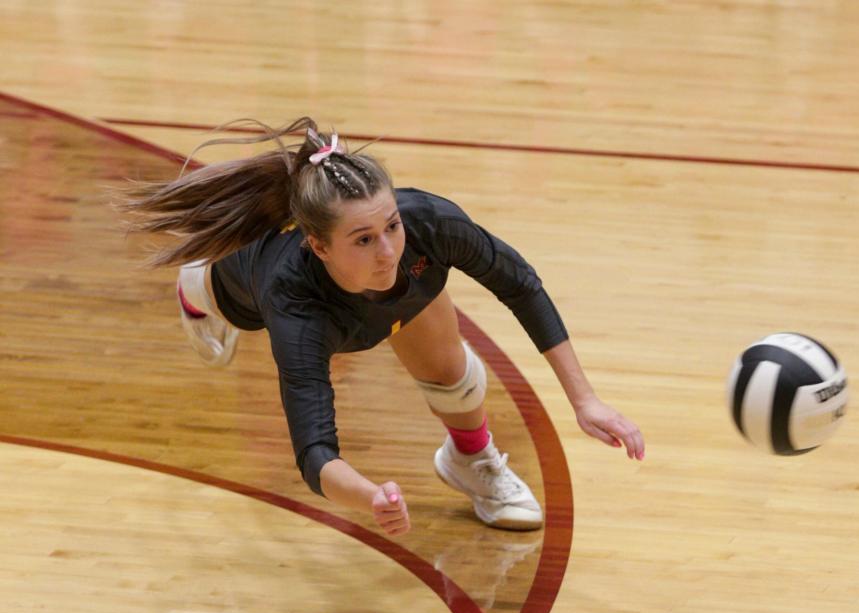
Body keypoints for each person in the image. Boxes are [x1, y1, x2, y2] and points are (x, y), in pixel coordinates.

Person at [122, 117, 645, 537]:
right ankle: (194, 289)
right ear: (320, 245)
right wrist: (368, 496)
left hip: (383, 305)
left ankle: (472, 459)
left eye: (391, 225)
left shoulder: (429, 225)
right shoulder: (293, 303)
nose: (389, 248)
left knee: (451, 366)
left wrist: (585, 400)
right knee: (211, 290)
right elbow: (314, 452)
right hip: (246, 286)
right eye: (364, 239)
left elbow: (520, 285)